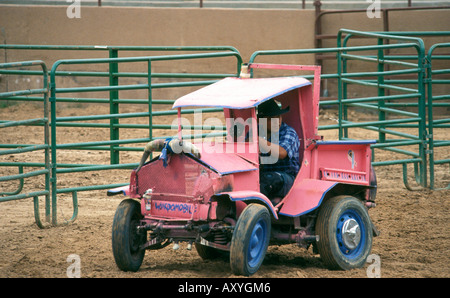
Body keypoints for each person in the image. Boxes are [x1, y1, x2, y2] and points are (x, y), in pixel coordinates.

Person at [257, 99, 300, 202]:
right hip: (263, 174)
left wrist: (258, 141)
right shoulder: (255, 131)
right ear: (261, 120)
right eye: (272, 118)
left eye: (279, 117)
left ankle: (261, 211)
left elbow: (282, 153)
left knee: (267, 180)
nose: (278, 121)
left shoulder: (289, 132)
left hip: (287, 177)